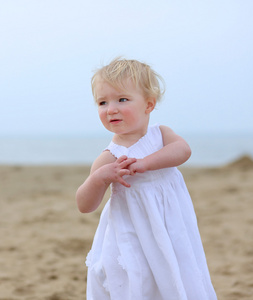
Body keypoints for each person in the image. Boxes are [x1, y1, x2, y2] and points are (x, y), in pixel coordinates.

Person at [76, 58, 217, 300]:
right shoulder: (110, 158)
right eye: (102, 102)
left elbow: (183, 151)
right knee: (137, 279)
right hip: (132, 233)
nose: (111, 109)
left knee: (176, 271)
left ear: (148, 105)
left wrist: (144, 163)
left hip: (170, 225)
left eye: (122, 99)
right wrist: (99, 180)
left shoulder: (161, 135)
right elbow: (84, 205)